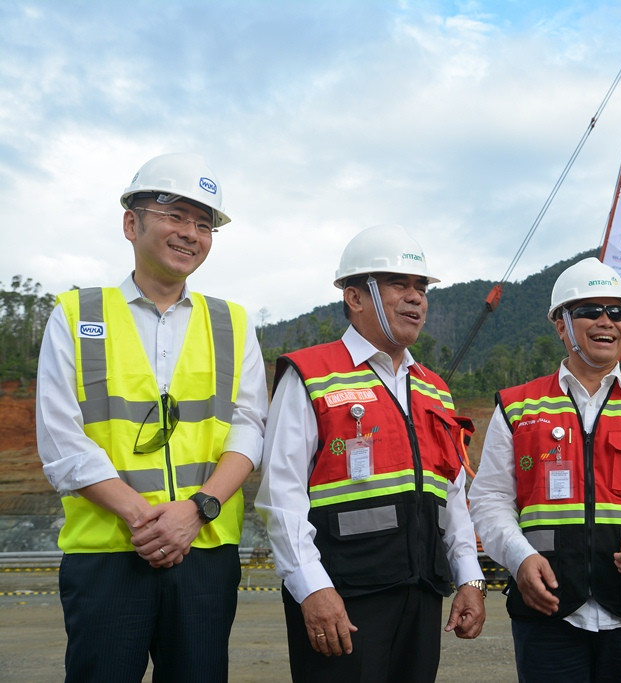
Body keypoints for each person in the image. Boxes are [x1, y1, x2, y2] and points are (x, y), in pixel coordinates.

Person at [35, 152, 269, 681]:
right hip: (107, 553)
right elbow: (60, 437)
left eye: (204, 224)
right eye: (175, 215)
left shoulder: (232, 323)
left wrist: (195, 512)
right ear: (131, 224)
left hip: (205, 553)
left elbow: (250, 428)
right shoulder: (75, 315)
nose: (191, 233)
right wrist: (148, 520)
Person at [470, 257, 621, 682]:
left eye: (617, 312)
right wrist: (519, 556)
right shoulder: (517, 407)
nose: (607, 321)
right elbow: (490, 498)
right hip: (548, 611)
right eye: (590, 310)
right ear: (561, 324)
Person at [255, 224, 486, 683]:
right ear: (355, 297)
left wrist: (470, 578)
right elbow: (281, 496)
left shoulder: (435, 390)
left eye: (421, 287)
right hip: (344, 599)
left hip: (422, 595)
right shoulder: (312, 374)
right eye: (399, 284)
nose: (415, 297)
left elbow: (452, 498)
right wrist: (312, 589)